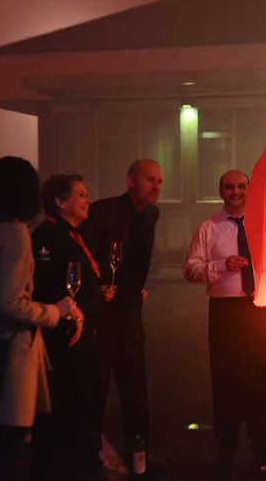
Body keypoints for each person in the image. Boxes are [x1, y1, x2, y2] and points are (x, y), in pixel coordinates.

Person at [0, 156, 74, 481]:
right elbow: (8, 302)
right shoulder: (16, 233)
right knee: (8, 446)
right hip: (11, 354)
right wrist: (54, 311)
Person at [182, 169, 266, 474]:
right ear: (221, 192)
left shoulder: (263, 225)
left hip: (261, 309)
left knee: (263, 378)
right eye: (230, 187)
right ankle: (227, 448)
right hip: (226, 314)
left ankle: (262, 445)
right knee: (227, 381)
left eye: (242, 187)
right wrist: (221, 265)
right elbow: (190, 270)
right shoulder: (209, 228)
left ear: (250, 189)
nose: (236, 192)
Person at [79, 159, 164, 473]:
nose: (156, 187)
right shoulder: (103, 211)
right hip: (101, 314)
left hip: (129, 313)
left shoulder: (152, 215)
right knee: (96, 387)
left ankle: (139, 456)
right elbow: (85, 257)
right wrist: (96, 290)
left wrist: (135, 287)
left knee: (135, 389)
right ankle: (88, 456)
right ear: (131, 181)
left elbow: (137, 261)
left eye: (159, 181)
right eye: (149, 180)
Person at [30, 174, 99, 481]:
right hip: (63, 336)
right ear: (60, 202)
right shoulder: (47, 235)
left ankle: (75, 457)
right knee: (63, 401)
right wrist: (72, 311)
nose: (88, 201)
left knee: (78, 398)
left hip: (79, 331)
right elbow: (45, 286)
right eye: (81, 195)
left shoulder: (71, 234)